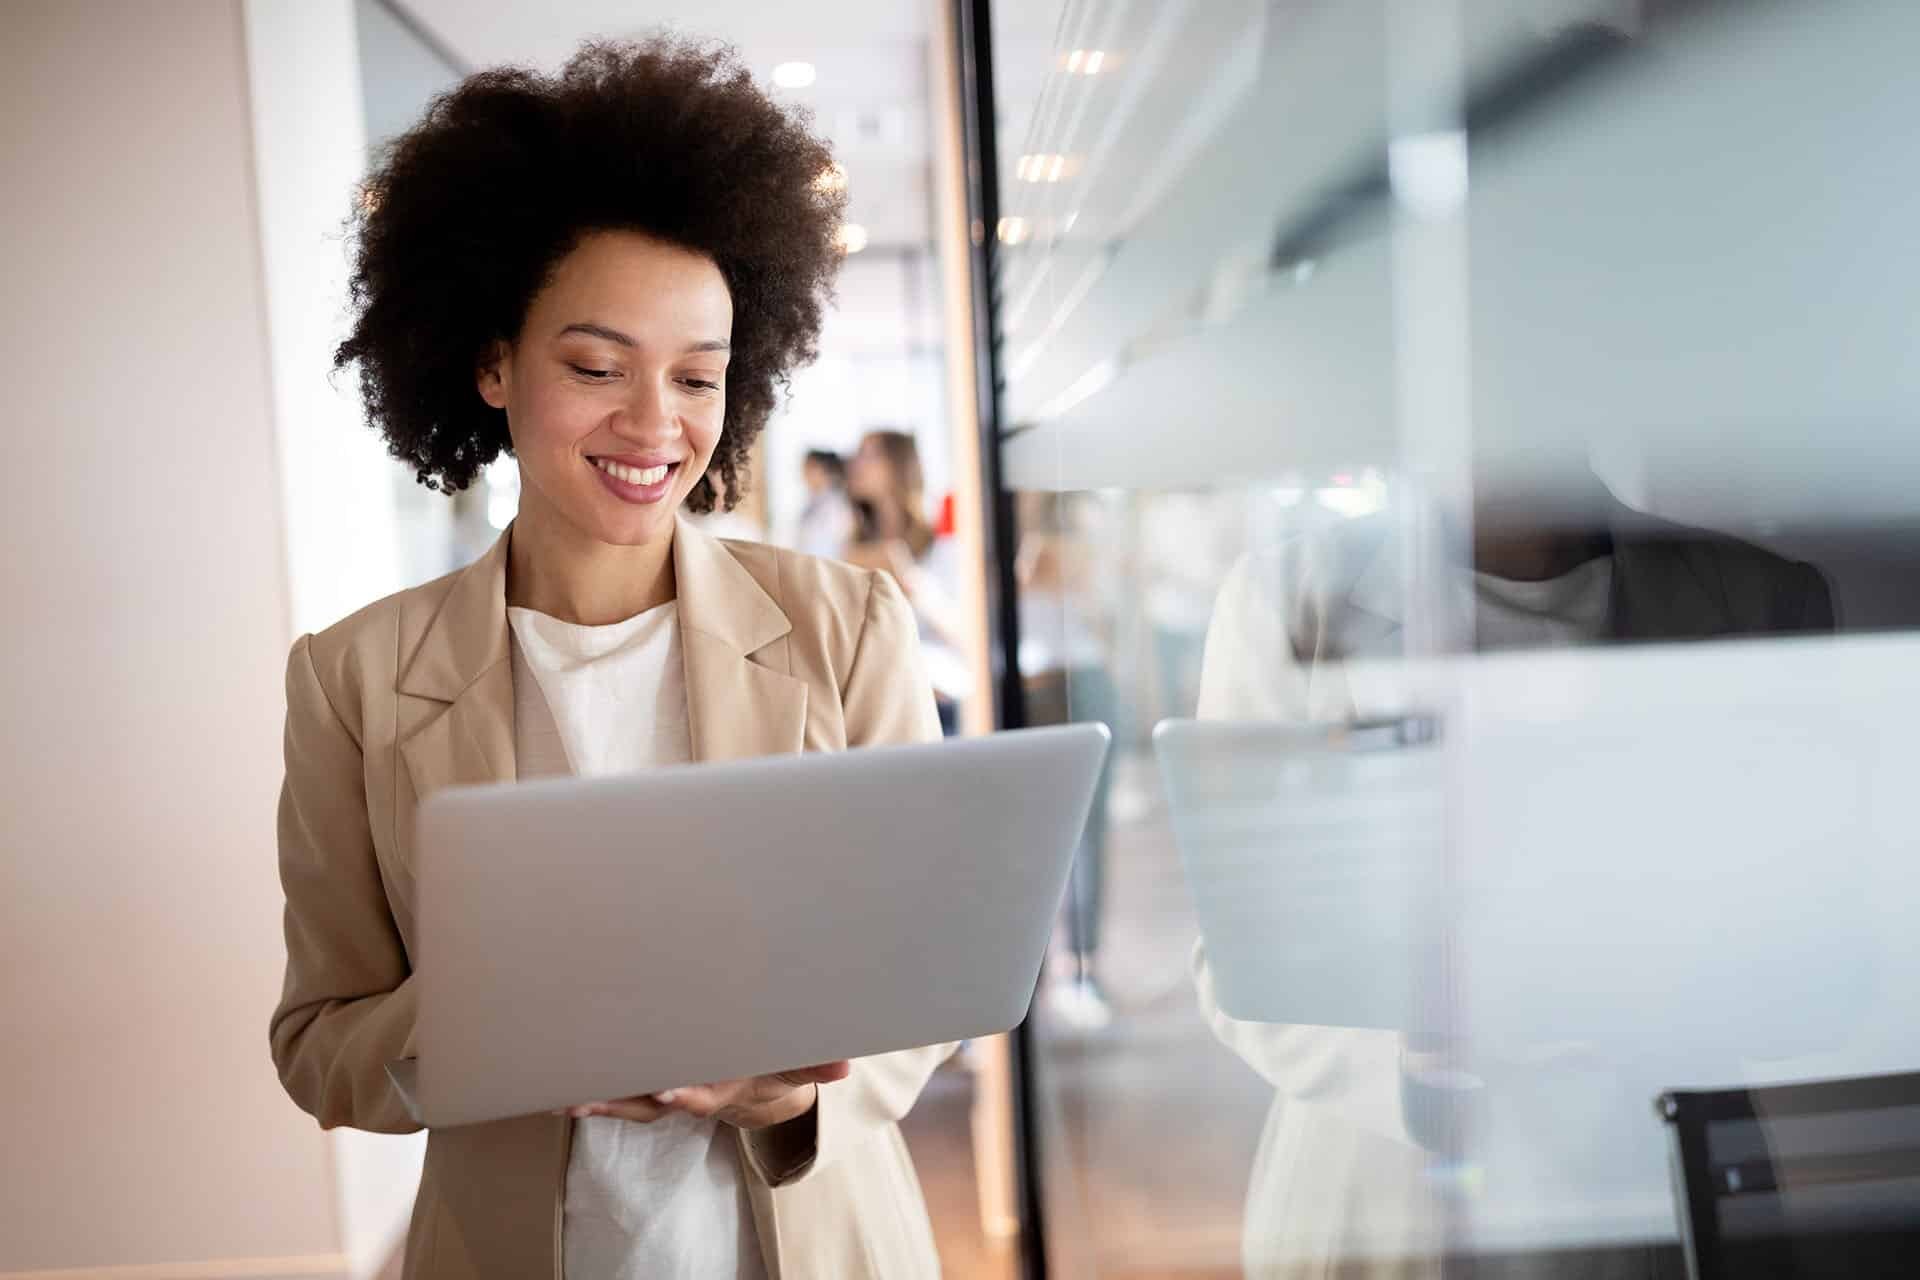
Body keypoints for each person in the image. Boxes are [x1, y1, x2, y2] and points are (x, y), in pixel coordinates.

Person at [269, 39, 950, 1280]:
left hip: (813, 1242)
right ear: (491, 363)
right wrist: (509, 1007)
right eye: (595, 367)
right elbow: (322, 1045)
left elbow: (924, 981)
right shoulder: (353, 680)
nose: (655, 425)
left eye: (698, 378)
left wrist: (784, 1096)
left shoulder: (848, 627)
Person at [1192, 474, 1833, 1278]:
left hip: (1652, 1179)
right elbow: (1238, 964)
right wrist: (1418, 1069)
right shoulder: (1286, 601)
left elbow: (1820, 949)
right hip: (1383, 1192)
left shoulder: (1761, 601)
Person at [844, 429, 970, 734]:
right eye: (858, 454)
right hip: (876, 709)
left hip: (938, 703)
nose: (856, 463)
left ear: (900, 465)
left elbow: (965, 633)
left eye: (871, 455)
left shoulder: (942, 546)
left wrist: (908, 581)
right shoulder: (848, 545)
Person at [791, 448, 855, 560]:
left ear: (824, 470)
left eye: (810, 466)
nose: (804, 471)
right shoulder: (811, 502)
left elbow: (832, 547)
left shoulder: (836, 505)